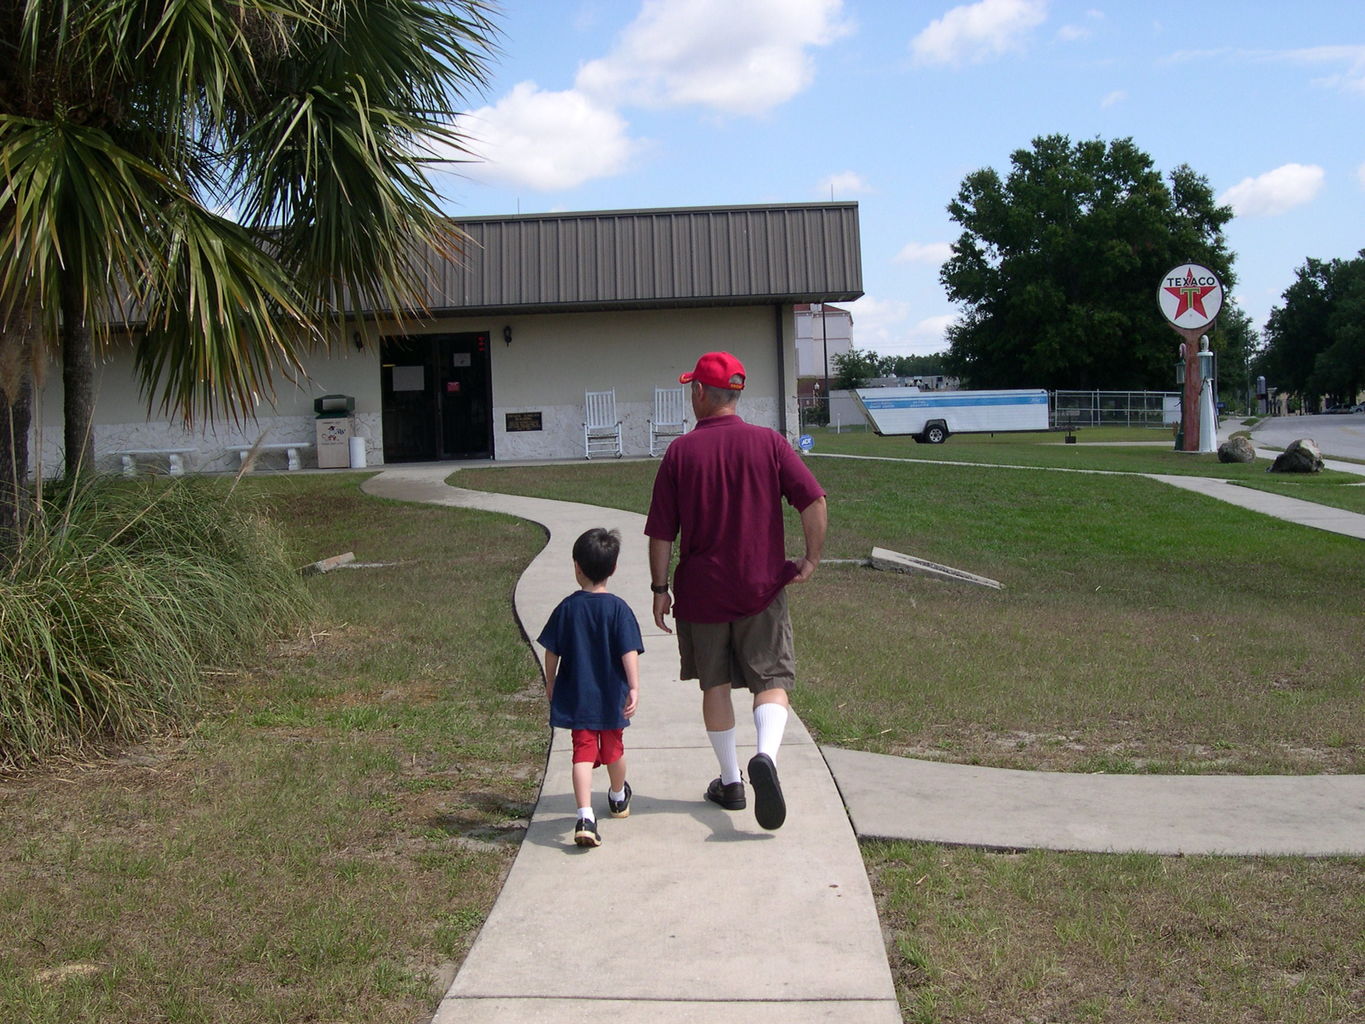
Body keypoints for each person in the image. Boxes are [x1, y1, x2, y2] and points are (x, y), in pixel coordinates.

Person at [645, 351, 827, 831]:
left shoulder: (680, 453)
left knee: (716, 685)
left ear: (700, 393)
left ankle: (730, 783)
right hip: (761, 589)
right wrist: (810, 558)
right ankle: (765, 756)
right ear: (737, 394)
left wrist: (660, 588)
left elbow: (662, 531)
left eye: (691, 389)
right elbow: (813, 498)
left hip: (703, 596)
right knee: (771, 682)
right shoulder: (769, 443)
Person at [538, 528, 644, 848]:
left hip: (578, 695)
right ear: (613, 568)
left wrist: (551, 680)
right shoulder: (619, 609)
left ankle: (585, 815)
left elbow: (551, 650)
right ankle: (616, 796)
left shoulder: (567, 608)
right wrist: (634, 687)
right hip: (611, 695)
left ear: (577, 567)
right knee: (614, 750)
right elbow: (629, 652)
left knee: (582, 754)